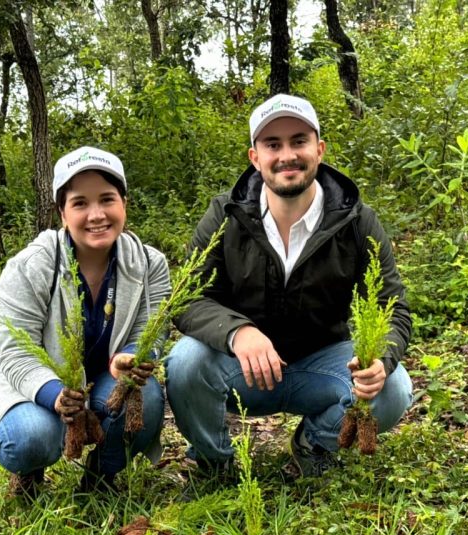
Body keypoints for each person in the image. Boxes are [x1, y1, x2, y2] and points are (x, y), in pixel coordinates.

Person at [165, 94, 413, 478]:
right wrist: (237, 332)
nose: (287, 155)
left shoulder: (356, 220)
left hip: (324, 364)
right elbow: (186, 298)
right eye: (272, 144)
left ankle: (314, 446)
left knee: (393, 387)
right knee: (184, 362)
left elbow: (391, 304)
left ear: (319, 149)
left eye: (299, 141)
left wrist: (382, 357)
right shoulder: (225, 215)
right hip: (243, 370)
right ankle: (215, 464)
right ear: (254, 157)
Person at [0, 146, 171, 498]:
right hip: (29, 382)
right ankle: (29, 472)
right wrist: (55, 396)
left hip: (104, 378)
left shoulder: (149, 264)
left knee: (145, 399)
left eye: (107, 199)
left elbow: (153, 327)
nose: (96, 215)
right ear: (62, 213)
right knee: (32, 437)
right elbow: (16, 352)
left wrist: (132, 355)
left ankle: (101, 477)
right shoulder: (30, 266)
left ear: (124, 203)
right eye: (80, 203)